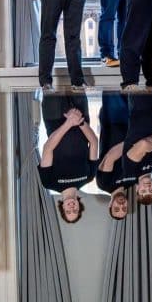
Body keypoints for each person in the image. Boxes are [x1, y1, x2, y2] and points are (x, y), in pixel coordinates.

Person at [38, 94, 99, 223]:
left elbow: (47, 148)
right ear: (79, 206)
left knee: (50, 85)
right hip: (80, 118)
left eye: (68, 211)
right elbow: (94, 142)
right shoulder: (89, 177)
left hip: (54, 119)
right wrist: (80, 122)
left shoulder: (49, 182)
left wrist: (69, 123)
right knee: (77, 84)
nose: (72, 208)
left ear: (62, 207)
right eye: (75, 211)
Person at [121, 93, 152, 206]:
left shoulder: (130, 169)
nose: (148, 187)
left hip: (140, 107)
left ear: (137, 189)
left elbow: (145, 143)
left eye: (143, 191)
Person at [96, 92, 135, 219]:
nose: (121, 205)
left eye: (116, 208)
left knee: (113, 87)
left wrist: (133, 142)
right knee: (130, 87)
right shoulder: (132, 181)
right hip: (132, 124)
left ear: (110, 205)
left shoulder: (104, 184)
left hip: (113, 125)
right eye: (124, 208)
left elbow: (111, 157)